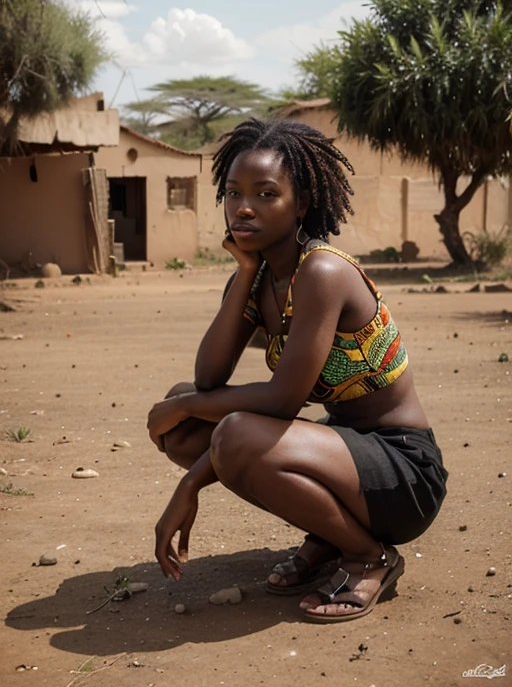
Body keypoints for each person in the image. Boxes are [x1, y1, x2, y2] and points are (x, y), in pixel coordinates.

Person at [147, 118, 448, 624]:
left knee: (225, 427)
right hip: (344, 455)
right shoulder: (260, 276)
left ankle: (367, 555)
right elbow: (208, 377)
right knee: (187, 431)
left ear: (302, 204)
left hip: (403, 473)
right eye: (233, 192)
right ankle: (331, 538)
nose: (244, 207)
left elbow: (283, 400)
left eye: (266, 194)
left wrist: (191, 483)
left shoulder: (323, 271)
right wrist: (244, 274)